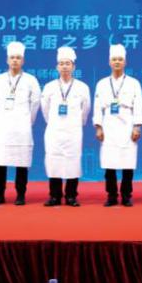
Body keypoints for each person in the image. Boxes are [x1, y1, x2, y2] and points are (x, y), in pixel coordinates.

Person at [0, 41, 41, 205]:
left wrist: (27, 120)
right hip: (2, 126)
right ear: (7, 60)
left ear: (23, 60)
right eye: (12, 58)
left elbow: (35, 103)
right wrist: (3, 116)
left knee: (21, 162)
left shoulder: (31, 80)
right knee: (0, 161)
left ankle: (20, 194)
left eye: (18, 58)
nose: (15, 60)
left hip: (22, 126)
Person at [93, 44, 142, 207]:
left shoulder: (133, 83)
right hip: (108, 125)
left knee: (128, 162)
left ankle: (126, 195)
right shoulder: (101, 83)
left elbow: (138, 105)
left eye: (120, 59)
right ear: (109, 62)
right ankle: (112, 195)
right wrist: (98, 127)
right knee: (109, 163)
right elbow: (97, 107)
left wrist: (137, 126)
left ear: (125, 62)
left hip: (127, 124)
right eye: (114, 59)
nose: (117, 62)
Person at [41, 46, 91, 207]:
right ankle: (54, 196)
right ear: (57, 67)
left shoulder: (82, 87)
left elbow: (86, 109)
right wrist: (53, 122)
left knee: (73, 161)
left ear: (73, 67)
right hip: (54, 130)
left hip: (73, 131)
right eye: (61, 63)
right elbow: (45, 109)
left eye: (68, 63)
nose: (64, 67)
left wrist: (77, 124)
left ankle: (71, 196)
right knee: (53, 161)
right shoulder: (49, 87)